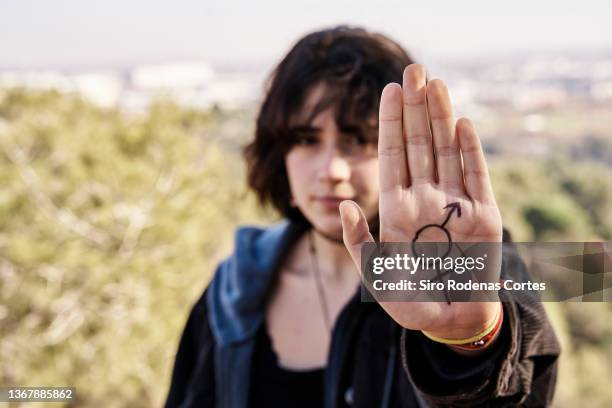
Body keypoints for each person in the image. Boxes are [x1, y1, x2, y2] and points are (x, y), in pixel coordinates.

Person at [164, 26, 560, 407]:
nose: (332, 169)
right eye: (305, 139)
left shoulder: (463, 264)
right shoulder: (234, 289)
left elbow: (523, 378)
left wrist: (473, 341)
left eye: (357, 139)